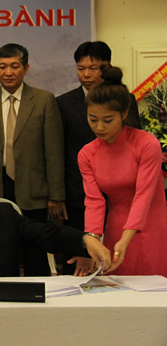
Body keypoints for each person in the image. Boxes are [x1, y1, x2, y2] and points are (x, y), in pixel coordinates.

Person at [0, 43, 64, 276]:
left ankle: (39, 294)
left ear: (26, 68)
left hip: (33, 188)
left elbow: (54, 151)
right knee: (2, 252)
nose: (8, 72)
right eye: (2, 66)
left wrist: (56, 195)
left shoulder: (44, 100)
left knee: (35, 251)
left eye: (14, 66)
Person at [57, 41, 141, 275]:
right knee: (79, 258)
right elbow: (58, 150)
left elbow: (134, 143)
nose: (86, 74)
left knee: (120, 257)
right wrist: (58, 194)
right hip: (79, 191)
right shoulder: (63, 103)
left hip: (120, 192)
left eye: (93, 68)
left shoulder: (125, 100)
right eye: (81, 68)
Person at [79, 65, 167, 276]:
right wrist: (93, 237)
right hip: (116, 228)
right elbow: (94, 202)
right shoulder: (87, 154)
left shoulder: (146, 144)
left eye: (108, 120)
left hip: (152, 227)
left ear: (124, 114)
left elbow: (143, 196)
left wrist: (126, 238)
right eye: (93, 119)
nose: (99, 127)